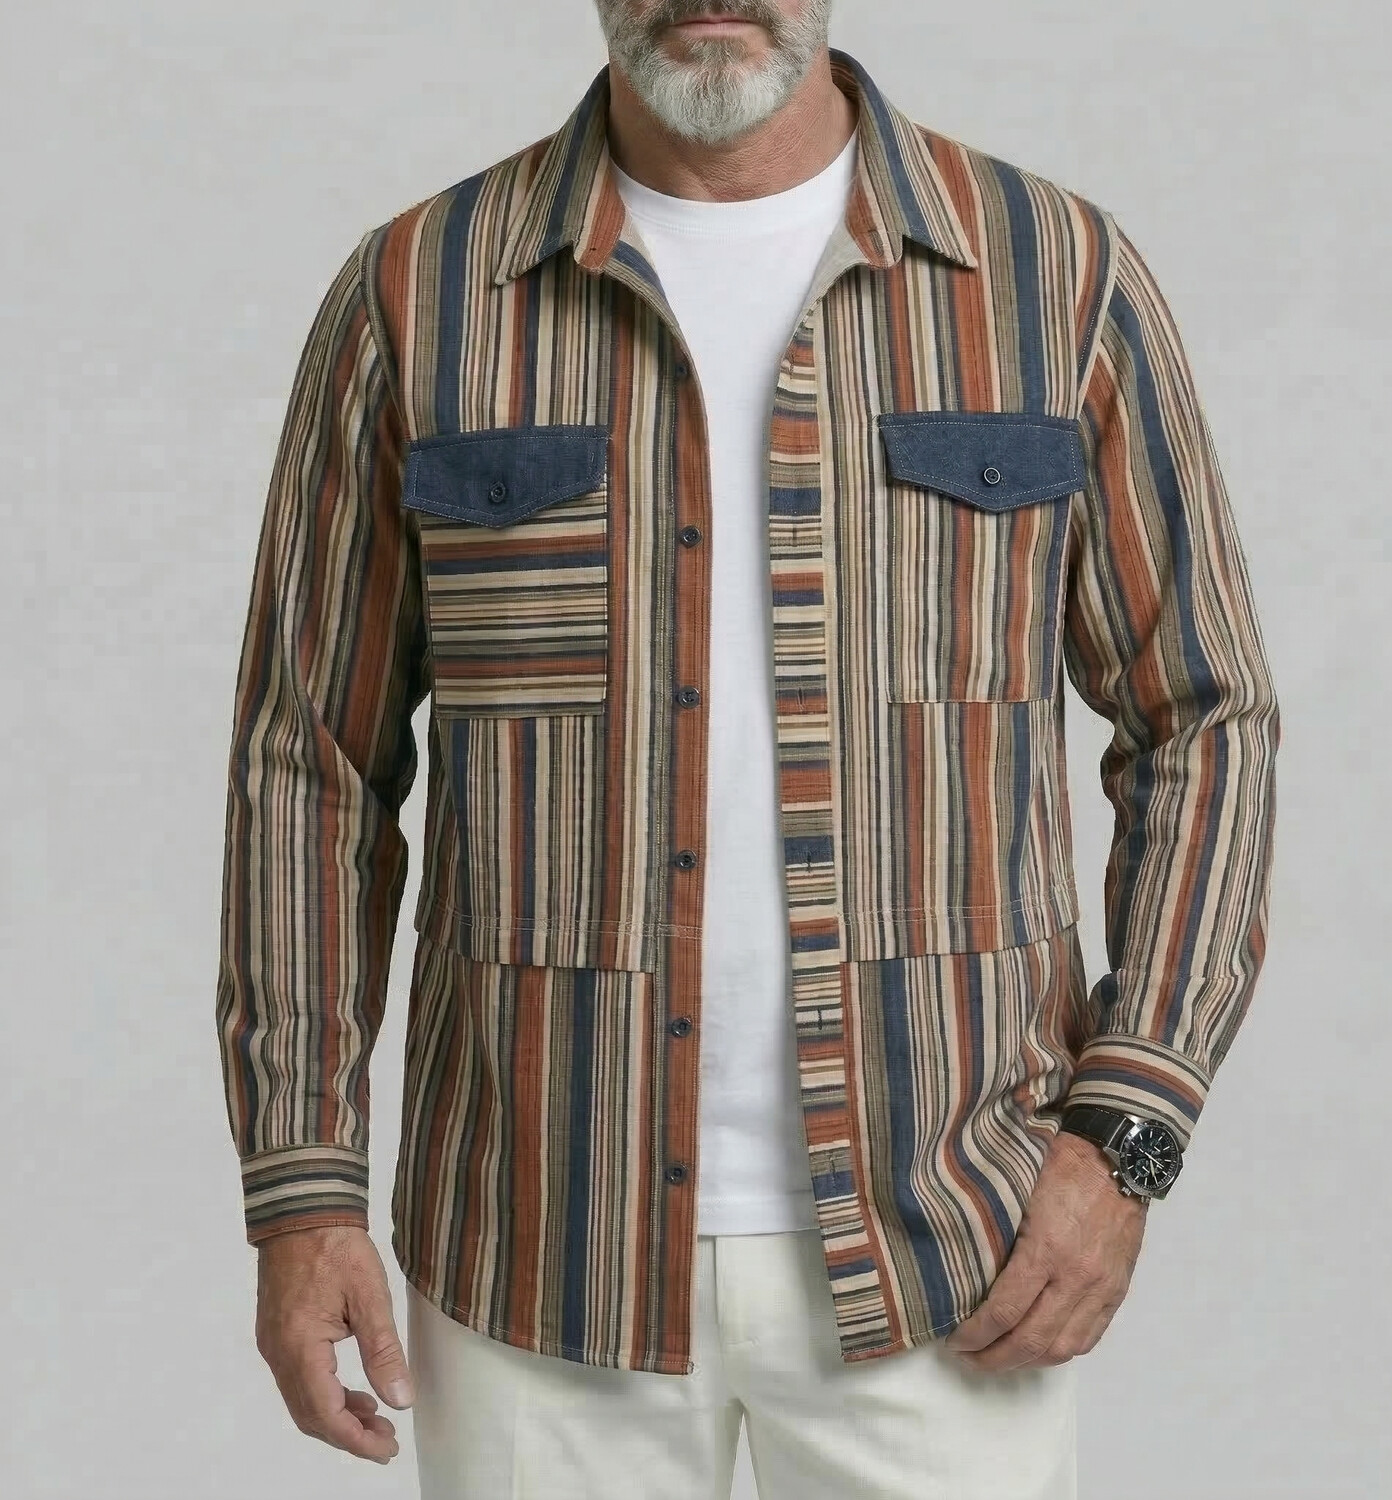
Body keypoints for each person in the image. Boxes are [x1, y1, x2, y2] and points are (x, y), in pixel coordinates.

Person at [215, 3, 1280, 1495]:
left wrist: (1126, 1138)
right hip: (537, 1249)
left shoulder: (1054, 276)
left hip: (947, 1250)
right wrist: (302, 1187)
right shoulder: (421, 290)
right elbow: (308, 767)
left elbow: (1206, 717)